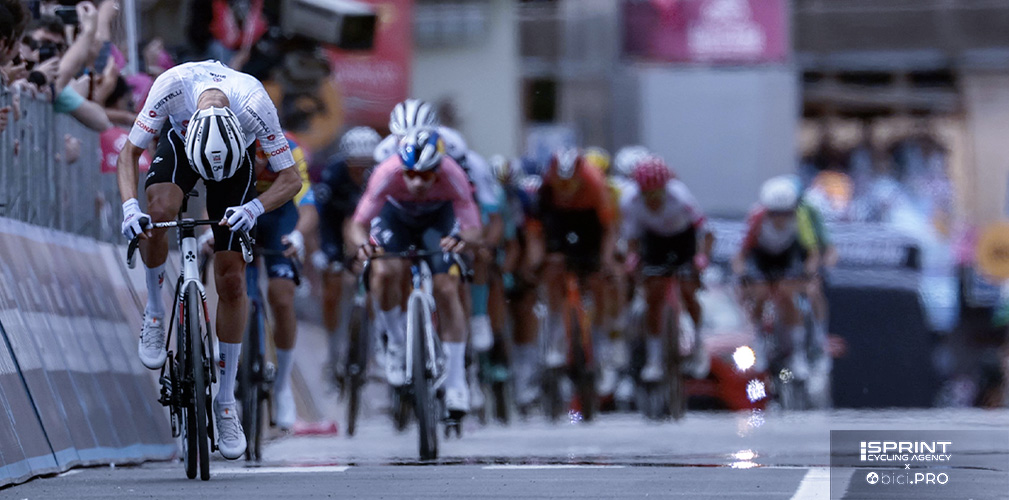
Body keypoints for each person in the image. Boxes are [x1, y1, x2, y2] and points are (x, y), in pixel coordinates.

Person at [117, 60, 302, 459]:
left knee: (232, 278)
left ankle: (226, 400)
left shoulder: (255, 104)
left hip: (236, 163)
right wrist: (130, 207)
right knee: (159, 210)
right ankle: (154, 311)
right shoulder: (172, 86)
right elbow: (129, 153)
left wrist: (253, 208)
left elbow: (291, 179)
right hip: (181, 147)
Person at [348, 126, 482, 419]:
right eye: (410, 174)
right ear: (401, 167)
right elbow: (358, 224)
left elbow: (473, 229)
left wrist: (461, 239)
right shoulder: (387, 172)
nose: (418, 182)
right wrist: (363, 246)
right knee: (385, 271)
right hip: (395, 218)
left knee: (447, 287)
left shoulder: (453, 174)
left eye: (426, 175)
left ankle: (456, 381)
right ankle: (396, 342)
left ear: (439, 169)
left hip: (437, 220)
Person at [621, 155, 711, 382]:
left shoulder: (680, 196)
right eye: (647, 195)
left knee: (689, 291)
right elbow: (632, 238)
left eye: (657, 194)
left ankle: (698, 344)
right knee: (653, 296)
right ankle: (654, 359)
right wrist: (632, 260)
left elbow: (706, 231)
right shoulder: (630, 201)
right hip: (654, 242)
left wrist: (701, 257)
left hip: (684, 240)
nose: (653, 201)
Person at [536, 148, 617, 373]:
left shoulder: (595, 184)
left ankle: (601, 344)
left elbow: (608, 230)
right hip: (559, 220)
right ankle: (556, 333)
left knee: (597, 279)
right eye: (560, 185)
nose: (565, 191)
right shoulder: (547, 187)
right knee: (554, 268)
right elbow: (539, 229)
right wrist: (541, 258)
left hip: (589, 222)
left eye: (570, 185)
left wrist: (606, 260)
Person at [732, 177, 820, 380]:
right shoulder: (756, 218)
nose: (780, 219)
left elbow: (812, 252)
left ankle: (797, 352)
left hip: (788, 259)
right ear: (766, 210)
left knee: (789, 296)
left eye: (785, 214)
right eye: (774, 214)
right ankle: (759, 342)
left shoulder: (801, 218)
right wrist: (742, 274)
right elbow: (741, 254)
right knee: (759, 294)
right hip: (762, 259)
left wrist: (809, 273)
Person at [312, 126, 381, 380]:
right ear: (345, 162)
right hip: (335, 225)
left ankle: (374, 351)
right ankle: (332, 353)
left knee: (377, 285)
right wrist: (324, 253)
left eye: (366, 166)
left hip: (369, 226)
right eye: (355, 166)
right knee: (331, 287)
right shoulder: (333, 175)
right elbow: (322, 218)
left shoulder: (381, 175)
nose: (360, 172)